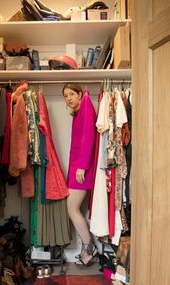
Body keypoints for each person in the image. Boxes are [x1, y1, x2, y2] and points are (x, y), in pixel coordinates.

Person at [62, 83, 97, 266]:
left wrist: (82, 167)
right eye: (65, 96)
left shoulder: (85, 105)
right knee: (72, 208)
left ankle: (89, 247)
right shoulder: (79, 110)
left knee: (72, 208)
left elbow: (88, 137)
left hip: (82, 168)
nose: (68, 98)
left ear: (79, 93)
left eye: (71, 94)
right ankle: (87, 247)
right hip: (77, 167)